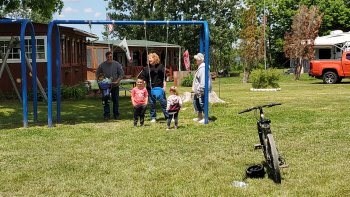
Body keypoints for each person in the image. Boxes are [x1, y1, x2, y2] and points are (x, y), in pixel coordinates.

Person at [139, 53, 168, 123]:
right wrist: (143, 86)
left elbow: (164, 78)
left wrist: (164, 87)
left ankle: (168, 116)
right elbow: (142, 78)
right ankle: (153, 117)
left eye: (150, 58)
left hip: (159, 88)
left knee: (163, 103)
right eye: (148, 58)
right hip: (150, 89)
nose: (149, 59)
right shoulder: (146, 68)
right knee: (152, 103)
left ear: (155, 58)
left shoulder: (160, 67)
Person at [96, 51, 124, 120]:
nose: (109, 58)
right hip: (105, 87)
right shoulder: (102, 65)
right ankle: (106, 115)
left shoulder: (117, 64)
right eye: (108, 57)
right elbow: (97, 74)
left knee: (116, 101)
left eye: (110, 57)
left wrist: (117, 81)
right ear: (106, 57)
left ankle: (116, 115)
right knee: (106, 101)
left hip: (115, 86)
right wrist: (100, 82)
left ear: (112, 56)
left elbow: (121, 74)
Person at [192, 53, 212, 124]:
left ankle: (206, 117)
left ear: (200, 60)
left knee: (202, 102)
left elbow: (203, 80)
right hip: (198, 90)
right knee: (196, 102)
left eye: (197, 59)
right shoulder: (200, 67)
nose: (196, 61)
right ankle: (200, 116)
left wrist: (201, 89)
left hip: (201, 89)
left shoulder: (203, 68)